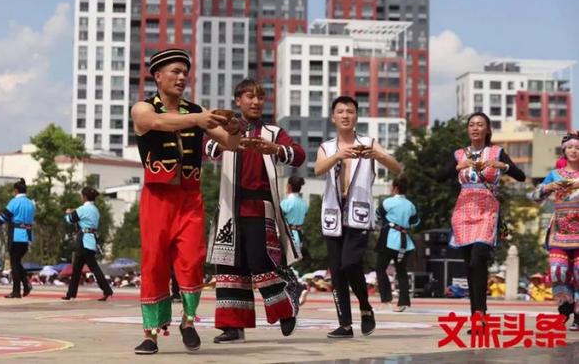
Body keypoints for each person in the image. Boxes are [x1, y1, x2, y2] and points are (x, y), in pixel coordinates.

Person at [131, 48, 242, 355]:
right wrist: (198, 118)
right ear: (157, 76)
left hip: (190, 197)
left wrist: (236, 129)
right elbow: (156, 123)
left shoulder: (197, 111)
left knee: (192, 260)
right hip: (157, 199)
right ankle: (150, 335)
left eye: (185, 73)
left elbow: (230, 143)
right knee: (154, 262)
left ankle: (188, 321)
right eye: (175, 72)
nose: (181, 78)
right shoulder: (143, 108)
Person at [205, 79, 306, 344]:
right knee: (229, 265)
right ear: (238, 100)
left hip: (259, 208)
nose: (256, 102)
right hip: (230, 207)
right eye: (250, 96)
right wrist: (230, 133)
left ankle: (287, 304)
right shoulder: (226, 130)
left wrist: (275, 149)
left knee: (260, 263)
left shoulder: (273, 132)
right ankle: (232, 326)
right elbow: (210, 148)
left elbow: (299, 155)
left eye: (260, 97)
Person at [315, 96, 402, 339]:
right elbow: (318, 169)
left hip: (358, 214)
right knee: (337, 271)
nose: (345, 115)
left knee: (350, 263)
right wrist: (339, 156)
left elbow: (397, 168)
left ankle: (365, 306)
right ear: (333, 117)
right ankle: (345, 324)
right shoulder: (327, 147)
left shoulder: (369, 142)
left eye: (350, 111)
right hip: (333, 214)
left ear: (356, 116)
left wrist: (378, 155)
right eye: (340, 111)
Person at [442, 112, 525, 328]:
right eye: (472, 125)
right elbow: (439, 176)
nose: (475, 128)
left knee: (479, 257)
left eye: (480, 125)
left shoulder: (496, 152)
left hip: (487, 209)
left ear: (487, 129)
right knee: (470, 265)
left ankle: (479, 314)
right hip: (463, 211)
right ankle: (477, 315)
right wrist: (458, 167)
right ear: (468, 129)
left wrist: (502, 166)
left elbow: (521, 176)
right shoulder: (460, 154)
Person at [531, 132, 579, 331]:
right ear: (564, 151)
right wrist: (548, 186)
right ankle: (564, 308)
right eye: (570, 147)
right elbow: (534, 197)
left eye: (578, 148)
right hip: (559, 230)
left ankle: (578, 314)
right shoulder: (554, 174)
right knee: (557, 270)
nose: (574, 151)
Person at [61, 186, 114, 301]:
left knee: (83, 268)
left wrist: (68, 213)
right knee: (80, 268)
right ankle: (71, 293)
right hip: (91, 240)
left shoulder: (82, 209)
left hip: (83, 240)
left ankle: (106, 290)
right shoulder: (95, 210)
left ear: (84, 197)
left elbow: (69, 220)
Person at [375, 176, 418, 312]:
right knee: (401, 271)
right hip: (404, 241)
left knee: (380, 268)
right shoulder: (411, 205)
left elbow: (377, 216)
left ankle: (386, 299)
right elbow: (415, 222)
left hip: (389, 238)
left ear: (395, 188)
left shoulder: (388, 202)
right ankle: (403, 302)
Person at [0, 178, 35, 299]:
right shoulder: (31, 203)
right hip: (27, 235)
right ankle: (25, 284)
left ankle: (16, 291)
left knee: (15, 264)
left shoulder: (14, 202)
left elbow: (3, 217)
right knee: (17, 262)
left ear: (15, 190)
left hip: (16, 235)